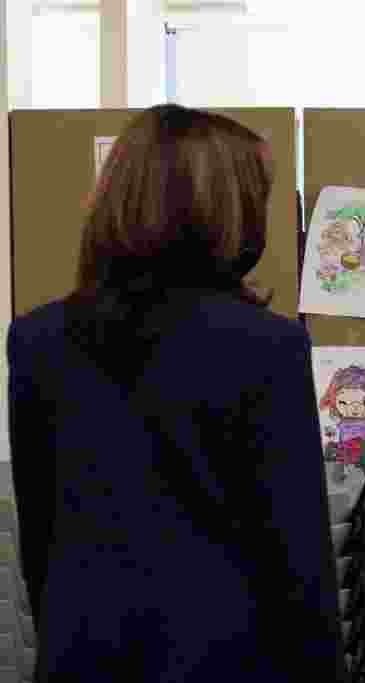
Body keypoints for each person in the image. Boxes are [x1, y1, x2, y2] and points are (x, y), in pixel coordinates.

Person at [7, 104, 345, 681]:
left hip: (81, 656)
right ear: (227, 211)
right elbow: (299, 562)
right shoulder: (268, 347)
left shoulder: (38, 340)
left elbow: (41, 537)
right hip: (227, 662)